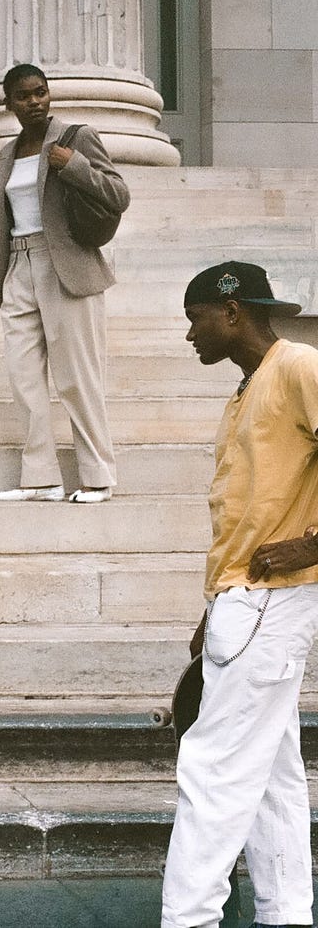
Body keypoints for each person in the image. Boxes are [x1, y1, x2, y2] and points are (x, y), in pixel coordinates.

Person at [162, 261, 318, 928]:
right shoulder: (246, 390)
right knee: (272, 782)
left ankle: (188, 919)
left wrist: (314, 545)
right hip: (244, 603)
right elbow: (247, 510)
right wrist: (213, 608)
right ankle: (286, 914)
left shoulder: (298, 366)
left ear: (231, 313)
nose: (190, 334)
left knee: (212, 772)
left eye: (195, 318)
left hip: (272, 599)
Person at [0, 62, 129, 504]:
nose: (35, 102)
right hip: (18, 264)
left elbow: (118, 194)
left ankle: (99, 477)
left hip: (63, 263)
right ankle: (42, 478)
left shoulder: (75, 138)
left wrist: (74, 166)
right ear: (8, 102)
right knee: (24, 375)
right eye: (24, 96)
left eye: (41, 93)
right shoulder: (8, 153)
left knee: (77, 376)